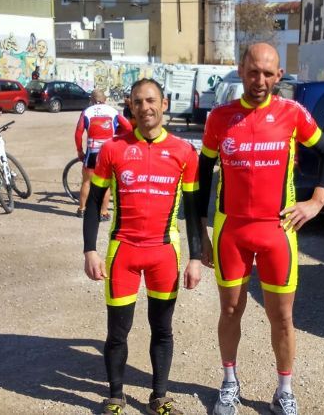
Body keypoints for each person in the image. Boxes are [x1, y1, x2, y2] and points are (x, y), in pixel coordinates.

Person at [198, 43, 324, 415]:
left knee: (283, 317)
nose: (259, 80)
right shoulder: (220, 117)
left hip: (278, 231)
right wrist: (200, 233)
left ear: (278, 76)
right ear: (241, 70)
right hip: (231, 232)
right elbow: (201, 174)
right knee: (230, 311)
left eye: (267, 73)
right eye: (253, 72)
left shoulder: (292, 113)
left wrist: (316, 201)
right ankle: (229, 383)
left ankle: (284, 391)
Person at [82, 78, 203, 415]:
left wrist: (195, 258)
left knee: (162, 329)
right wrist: (89, 249)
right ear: (130, 108)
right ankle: (115, 396)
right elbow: (94, 202)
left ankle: (159, 397)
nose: (145, 107)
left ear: (164, 104)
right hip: (123, 252)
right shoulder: (113, 148)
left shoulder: (183, 151)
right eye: (138, 102)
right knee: (117, 331)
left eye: (151, 101)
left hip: (164, 253)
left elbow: (194, 208)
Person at [74, 89, 132, 220]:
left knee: (86, 182)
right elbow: (128, 128)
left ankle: (82, 210)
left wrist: (79, 151)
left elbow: (78, 134)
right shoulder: (113, 111)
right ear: (104, 99)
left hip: (92, 151)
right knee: (106, 184)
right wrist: (117, 137)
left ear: (92, 100)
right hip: (108, 152)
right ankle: (103, 213)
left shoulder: (86, 112)